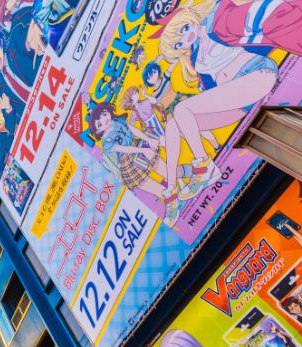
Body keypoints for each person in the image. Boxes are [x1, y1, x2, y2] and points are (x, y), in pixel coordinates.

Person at [157, 0, 281, 199]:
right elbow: (212, 90)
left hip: (257, 72)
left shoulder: (214, 24)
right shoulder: (195, 59)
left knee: (182, 109)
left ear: (190, 20)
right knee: (173, 124)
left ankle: (204, 165)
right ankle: (171, 187)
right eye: (179, 43)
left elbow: (245, 17)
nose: (185, 38)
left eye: (184, 28)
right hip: (237, 100)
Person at [88, 102, 186, 225]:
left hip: (139, 146)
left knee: (168, 171)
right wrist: (143, 149)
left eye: (104, 114)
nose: (104, 119)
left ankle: (188, 172)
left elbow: (133, 130)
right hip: (128, 161)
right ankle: (174, 205)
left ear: (107, 111)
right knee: (152, 187)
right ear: (97, 130)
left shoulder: (118, 121)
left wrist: (148, 140)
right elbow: (124, 150)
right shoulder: (106, 143)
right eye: (99, 123)